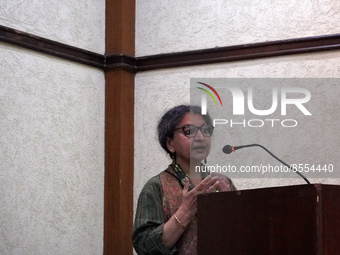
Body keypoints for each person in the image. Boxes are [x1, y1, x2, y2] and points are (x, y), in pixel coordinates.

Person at [133, 105, 236, 255]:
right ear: (170, 144)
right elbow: (145, 249)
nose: (201, 137)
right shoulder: (156, 187)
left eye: (206, 129)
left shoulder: (223, 183)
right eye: (189, 131)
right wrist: (186, 211)